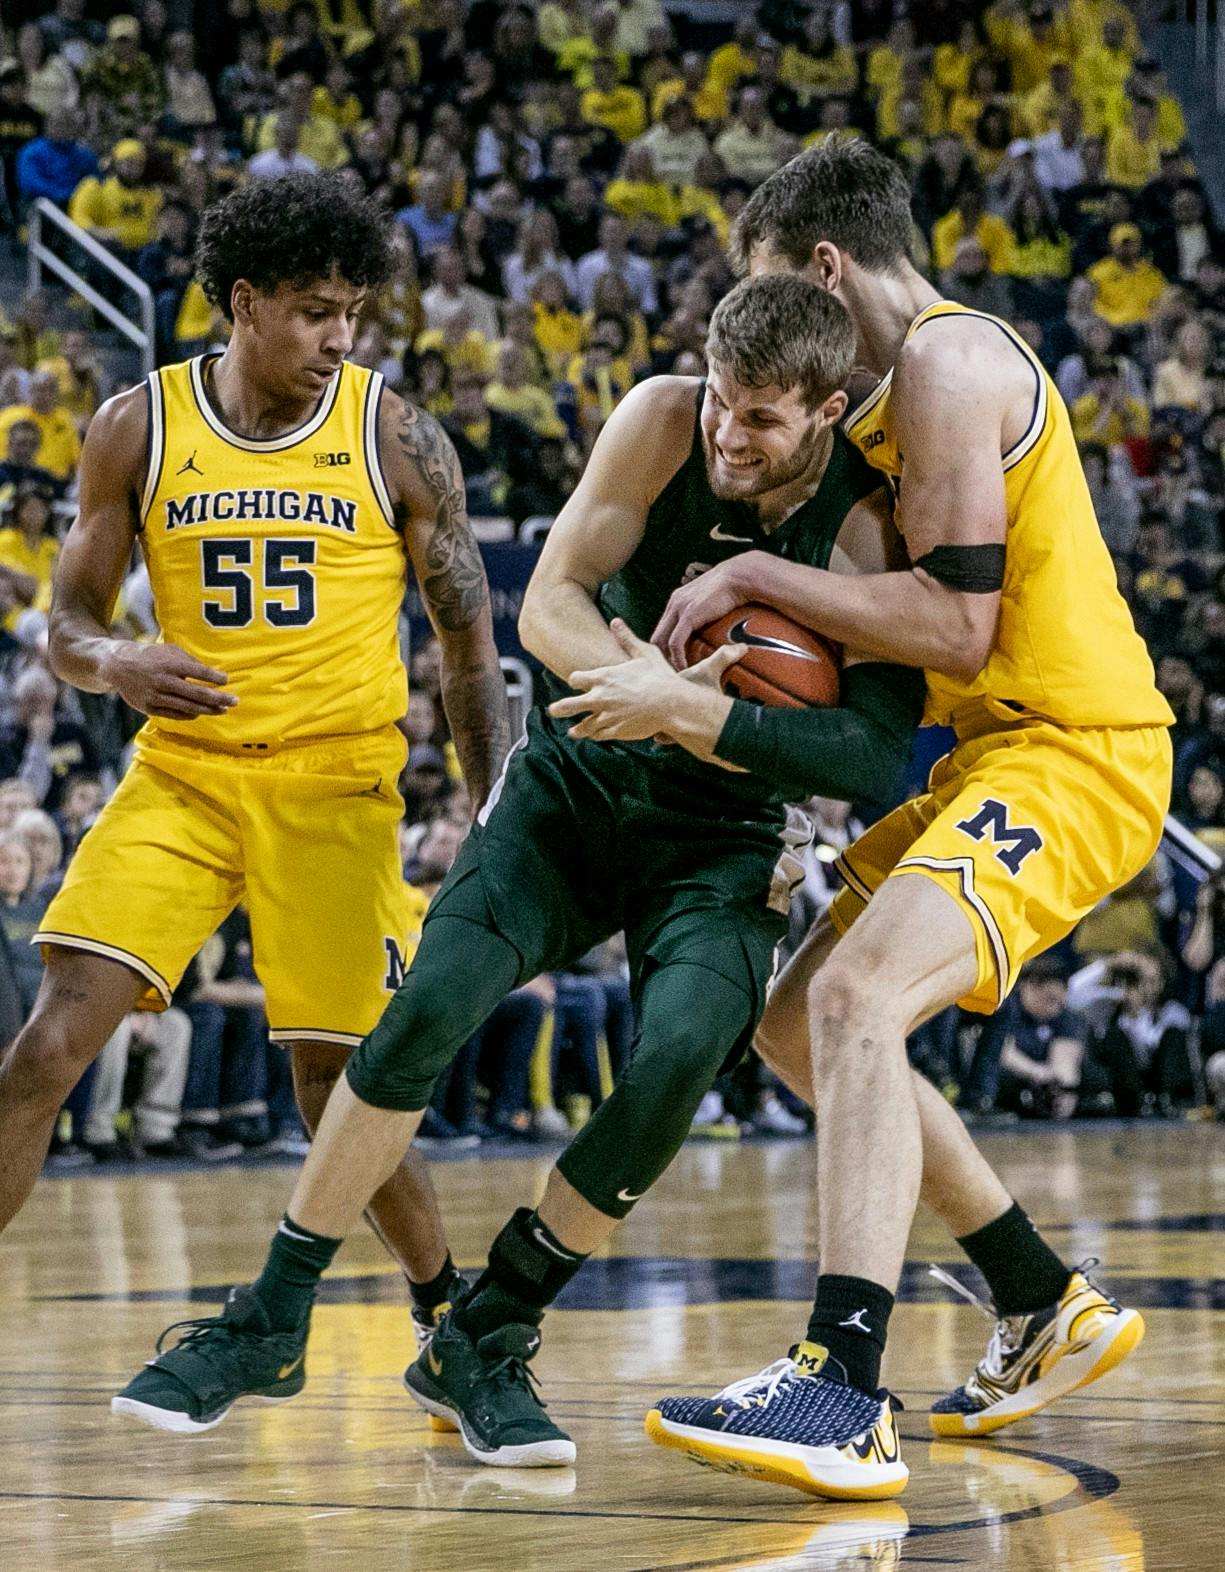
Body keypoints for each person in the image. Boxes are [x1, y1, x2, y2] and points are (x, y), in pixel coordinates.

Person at [110, 275, 928, 1459]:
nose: (727, 435)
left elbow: (870, 750)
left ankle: (484, 1334)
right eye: (721, 405)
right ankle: (270, 1317)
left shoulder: (866, 521)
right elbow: (547, 602)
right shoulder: (659, 419)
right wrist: (639, 688)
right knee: (426, 1005)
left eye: (760, 420)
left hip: (723, 835)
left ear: (826, 408)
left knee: (677, 1065)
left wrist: (699, 721)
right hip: (571, 786)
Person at [643, 138, 1171, 1497]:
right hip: (990, 760)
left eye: (783, 292)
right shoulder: (884, 405)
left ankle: (839, 1386)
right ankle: (1040, 1301)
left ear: (825, 266)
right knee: (797, 1018)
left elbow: (954, 620)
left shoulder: (945, 362)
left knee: (857, 1001)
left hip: (1076, 751)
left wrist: (761, 569)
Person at [0, 173, 509, 1370]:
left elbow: (468, 641)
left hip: (336, 785)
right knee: (43, 1049)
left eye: (355, 315)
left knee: (336, 1087)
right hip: (184, 772)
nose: (341, 338)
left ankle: (452, 1322)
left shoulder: (392, 432)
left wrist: (491, 809)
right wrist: (118, 660)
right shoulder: (138, 423)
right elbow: (66, 624)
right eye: (316, 311)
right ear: (243, 302)